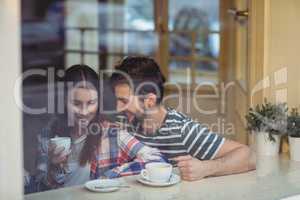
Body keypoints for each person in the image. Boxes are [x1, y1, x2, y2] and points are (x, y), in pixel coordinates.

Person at [110, 56, 256, 181]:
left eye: (123, 101)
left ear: (149, 101)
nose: (117, 107)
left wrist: (206, 168)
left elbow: (248, 156)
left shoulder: (182, 130)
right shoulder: (122, 120)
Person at [35, 64, 164, 191]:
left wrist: (110, 177)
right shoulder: (47, 134)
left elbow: (156, 159)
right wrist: (53, 167)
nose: (84, 112)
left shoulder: (111, 133)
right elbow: (38, 188)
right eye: (76, 103)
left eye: (91, 103)